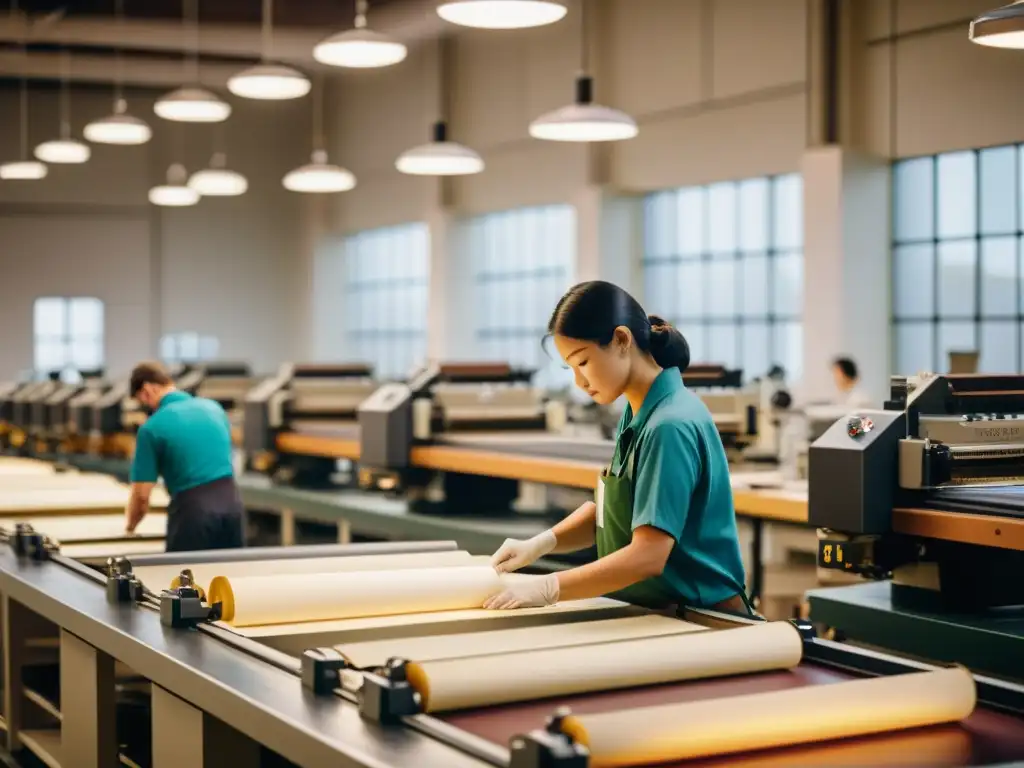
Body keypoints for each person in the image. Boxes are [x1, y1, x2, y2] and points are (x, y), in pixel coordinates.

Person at [483, 281, 751, 614]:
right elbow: (619, 510)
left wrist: (550, 586)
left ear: (622, 340)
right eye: (571, 369)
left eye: (583, 363)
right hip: (658, 613)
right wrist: (542, 544)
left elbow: (648, 557)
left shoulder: (670, 425)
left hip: (703, 619)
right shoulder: (638, 410)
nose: (579, 383)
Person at [125, 362, 244, 552]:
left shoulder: (151, 427)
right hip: (232, 504)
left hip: (194, 511)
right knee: (227, 575)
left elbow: (141, 496)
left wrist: (130, 527)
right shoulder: (214, 409)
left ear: (147, 389)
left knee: (183, 577)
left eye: (142, 401)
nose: (146, 407)